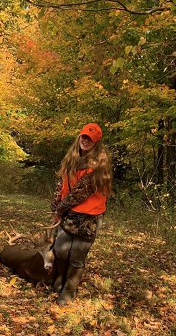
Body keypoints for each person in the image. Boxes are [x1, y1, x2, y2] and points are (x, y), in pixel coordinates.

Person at [51, 123, 113, 306]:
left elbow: (79, 193)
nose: (85, 141)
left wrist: (59, 209)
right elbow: (62, 184)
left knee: (77, 256)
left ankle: (69, 289)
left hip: (89, 217)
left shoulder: (99, 165)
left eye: (90, 139)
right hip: (69, 212)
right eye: (84, 136)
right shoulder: (72, 159)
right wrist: (54, 206)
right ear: (79, 137)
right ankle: (62, 276)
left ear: (96, 143)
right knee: (60, 250)